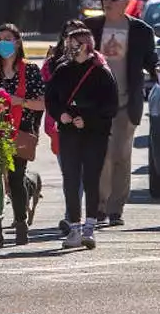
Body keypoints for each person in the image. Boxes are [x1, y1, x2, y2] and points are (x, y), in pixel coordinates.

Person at [84, 0, 160, 226]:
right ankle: (100, 207)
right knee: (102, 155)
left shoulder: (141, 31)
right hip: (97, 105)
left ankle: (117, 208)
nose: (107, 2)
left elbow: (151, 62)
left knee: (121, 155)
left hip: (126, 103)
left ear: (127, 3)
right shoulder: (90, 28)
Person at [45, 28, 119, 249]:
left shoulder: (101, 72)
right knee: (70, 178)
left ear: (86, 46)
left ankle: (90, 227)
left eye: (74, 44)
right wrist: (61, 115)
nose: (69, 48)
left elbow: (110, 107)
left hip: (95, 134)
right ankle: (74, 227)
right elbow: (51, 99)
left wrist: (87, 119)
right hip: (68, 133)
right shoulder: (62, 70)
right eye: (68, 43)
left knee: (91, 179)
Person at [0, 23, 46, 248]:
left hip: (21, 130)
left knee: (16, 178)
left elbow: (41, 104)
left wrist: (21, 102)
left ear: (17, 42)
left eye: (8, 38)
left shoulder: (30, 71)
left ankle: (20, 225)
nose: (3, 43)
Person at [43, 19, 86, 233]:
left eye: (78, 35)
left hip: (86, 125)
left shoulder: (94, 62)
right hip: (60, 125)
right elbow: (47, 94)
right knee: (69, 173)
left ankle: (72, 218)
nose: (73, 40)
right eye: (69, 35)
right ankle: (73, 215)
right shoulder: (52, 63)